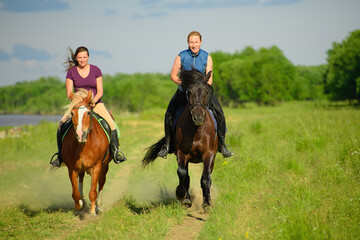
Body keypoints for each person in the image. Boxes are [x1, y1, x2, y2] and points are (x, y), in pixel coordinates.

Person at [157, 31, 233, 158]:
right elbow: (173, 75)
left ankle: (222, 145)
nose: (194, 45)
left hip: (203, 92)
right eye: (191, 42)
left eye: (196, 42)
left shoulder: (207, 57)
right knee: (169, 114)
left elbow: (210, 78)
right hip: (183, 92)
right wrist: (185, 85)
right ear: (188, 43)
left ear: (200, 42)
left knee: (219, 112)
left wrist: (203, 88)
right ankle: (168, 145)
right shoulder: (181, 56)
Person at [50, 46, 126, 167]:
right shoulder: (71, 72)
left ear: (88, 57)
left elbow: (100, 91)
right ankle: (60, 155)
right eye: (79, 57)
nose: (82, 60)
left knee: (111, 124)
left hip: (95, 103)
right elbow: (69, 92)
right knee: (61, 125)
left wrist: (94, 100)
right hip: (78, 104)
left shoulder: (96, 70)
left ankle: (116, 152)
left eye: (84, 57)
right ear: (76, 58)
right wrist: (78, 102)